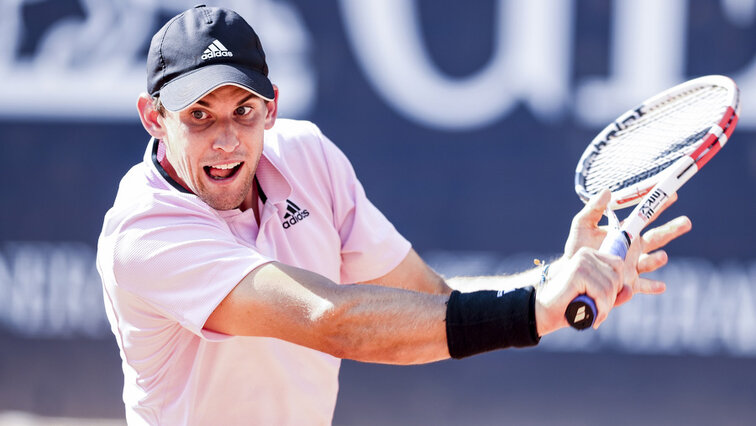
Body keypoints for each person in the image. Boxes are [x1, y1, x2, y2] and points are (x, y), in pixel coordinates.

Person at [96, 5, 692, 425]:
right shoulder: (144, 232)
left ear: (271, 109)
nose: (226, 139)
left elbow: (431, 295)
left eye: (243, 111)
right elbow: (332, 320)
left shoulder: (307, 156)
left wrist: (553, 280)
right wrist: (533, 311)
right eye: (198, 116)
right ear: (154, 118)